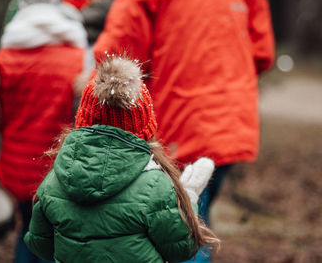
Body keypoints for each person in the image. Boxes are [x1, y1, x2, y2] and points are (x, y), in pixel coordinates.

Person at [92, 0, 275, 261]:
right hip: (231, 119)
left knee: (183, 226)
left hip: (178, 120)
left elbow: (120, 52)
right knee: (196, 216)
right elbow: (263, 53)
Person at [23, 56, 220, 262]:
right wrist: (188, 198)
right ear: (143, 128)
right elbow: (181, 250)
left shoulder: (54, 182)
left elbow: (40, 245)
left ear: (83, 120)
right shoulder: (156, 186)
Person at [0, 0, 87, 262]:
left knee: (28, 230)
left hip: (17, 169)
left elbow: (0, 114)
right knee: (55, 240)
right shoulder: (78, 59)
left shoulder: (6, 58)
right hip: (57, 171)